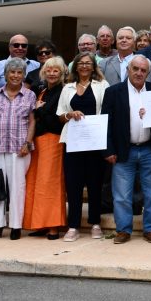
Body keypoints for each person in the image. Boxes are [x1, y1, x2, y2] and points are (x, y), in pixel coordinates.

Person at [103, 55, 151, 244]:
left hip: (149, 149)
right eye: (135, 68)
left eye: (143, 70)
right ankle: (123, 230)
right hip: (122, 150)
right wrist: (108, 150)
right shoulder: (113, 92)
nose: (139, 73)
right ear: (128, 69)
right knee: (121, 195)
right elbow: (107, 124)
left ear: (148, 73)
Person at [0, 58, 37, 240]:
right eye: (12, 72)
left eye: (19, 72)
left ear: (23, 75)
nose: (15, 75)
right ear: (5, 75)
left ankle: (16, 225)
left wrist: (27, 143)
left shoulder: (29, 95)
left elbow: (33, 121)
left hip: (19, 148)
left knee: (17, 186)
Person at [57, 52, 110, 241]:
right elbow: (60, 115)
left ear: (94, 66)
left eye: (88, 63)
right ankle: (73, 226)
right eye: (81, 63)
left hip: (95, 141)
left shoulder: (102, 85)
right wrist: (70, 115)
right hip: (73, 141)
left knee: (95, 183)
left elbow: (108, 111)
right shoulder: (67, 88)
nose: (85, 66)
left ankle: (95, 223)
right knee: (74, 184)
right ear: (75, 67)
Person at [24, 56, 68, 240]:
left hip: (53, 141)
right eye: (48, 70)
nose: (51, 73)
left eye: (55, 70)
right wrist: (40, 110)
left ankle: (53, 226)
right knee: (35, 183)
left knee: (50, 184)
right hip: (38, 142)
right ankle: (39, 223)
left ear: (62, 73)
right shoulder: (41, 91)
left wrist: (39, 110)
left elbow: (55, 120)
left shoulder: (64, 91)